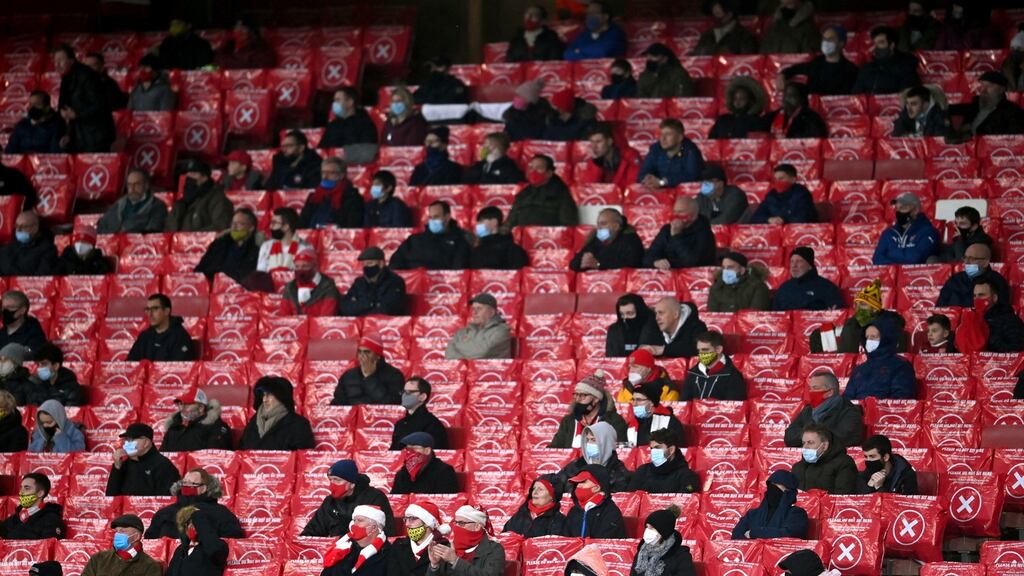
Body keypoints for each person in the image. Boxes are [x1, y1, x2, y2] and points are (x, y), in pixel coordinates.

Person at [301, 459, 395, 538]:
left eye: (337, 480)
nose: (332, 484)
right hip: (336, 552)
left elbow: (387, 531)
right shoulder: (330, 502)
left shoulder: (375, 497)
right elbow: (311, 532)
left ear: (352, 484)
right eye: (331, 480)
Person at [810, 279, 908, 353]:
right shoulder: (852, 324)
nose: (858, 308)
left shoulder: (891, 324)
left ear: (875, 309)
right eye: (856, 305)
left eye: (863, 305)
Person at [146, 468, 244, 539]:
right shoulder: (164, 513)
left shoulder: (221, 513)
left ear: (204, 488)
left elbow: (233, 540)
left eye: (191, 484)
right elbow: (151, 541)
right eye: (184, 483)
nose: (186, 486)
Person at [52, 44, 115, 153]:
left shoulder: (88, 76)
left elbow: (100, 106)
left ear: (72, 61)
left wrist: (76, 114)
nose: (57, 64)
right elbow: (67, 110)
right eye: (55, 61)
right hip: (78, 138)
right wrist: (68, 135)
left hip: (96, 138)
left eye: (60, 60)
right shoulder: (66, 78)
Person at [784, 372, 865, 449]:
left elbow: (841, 438)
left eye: (815, 388)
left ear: (829, 392)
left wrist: (807, 435)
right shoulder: (808, 410)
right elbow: (789, 436)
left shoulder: (850, 412)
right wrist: (816, 436)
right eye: (810, 388)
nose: (810, 392)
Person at [549, 372, 627, 448]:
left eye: (583, 395)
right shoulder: (568, 421)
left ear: (596, 399)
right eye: (576, 394)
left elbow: (621, 451)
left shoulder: (614, 421)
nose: (578, 399)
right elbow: (554, 449)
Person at [844, 320, 916, 400]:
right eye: (867, 337)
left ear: (885, 339)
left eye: (873, 337)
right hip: (856, 411)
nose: (869, 341)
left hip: (884, 411)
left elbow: (901, 398)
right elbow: (847, 397)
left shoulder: (900, 365)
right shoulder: (859, 369)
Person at [779, 25, 859, 95]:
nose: (825, 42)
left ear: (841, 43)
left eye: (830, 39)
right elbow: (795, 69)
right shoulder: (816, 63)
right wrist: (782, 75)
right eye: (824, 39)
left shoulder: (850, 70)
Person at [391, 201, 471, 269]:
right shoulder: (415, 240)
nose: (432, 221)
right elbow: (395, 262)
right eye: (431, 217)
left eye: (436, 217)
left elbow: (457, 272)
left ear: (447, 217)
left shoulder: (460, 241)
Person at [240, 377, 314, 451]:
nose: (264, 399)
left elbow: (303, 457)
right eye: (263, 395)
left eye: (269, 395)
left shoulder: (299, 425)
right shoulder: (252, 423)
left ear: (281, 397)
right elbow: (241, 452)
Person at [105, 423, 181, 496]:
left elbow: (165, 500)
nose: (127, 443)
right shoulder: (125, 464)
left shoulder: (163, 466)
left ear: (146, 442)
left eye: (131, 440)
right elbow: (111, 497)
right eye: (126, 440)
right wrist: (117, 468)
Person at [427, 506, 505, 576]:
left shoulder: (494, 550)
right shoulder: (449, 548)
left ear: (477, 526)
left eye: (461, 523)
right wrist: (434, 566)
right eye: (455, 523)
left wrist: (455, 561)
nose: (456, 527)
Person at [504, 155, 578, 228]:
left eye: (539, 168)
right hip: (522, 237)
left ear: (549, 173)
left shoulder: (561, 193)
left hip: (547, 238)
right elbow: (511, 221)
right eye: (531, 168)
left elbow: (568, 223)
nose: (533, 171)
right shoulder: (523, 194)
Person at [643, 196, 716, 270]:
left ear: (693, 215)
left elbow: (693, 263)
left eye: (680, 212)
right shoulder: (666, 230)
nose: (676, 215)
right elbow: (647, 258)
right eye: (674, 211)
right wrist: (655, 262)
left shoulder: (705, 234)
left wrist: (676, 236)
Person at [731, 470, 808, 540]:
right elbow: (736, 535)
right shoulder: (752, 514)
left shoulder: (797, 514)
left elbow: (790, 534)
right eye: (771, 485)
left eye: (777, 485)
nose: (773, 488)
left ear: (788, 491)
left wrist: (755, 533)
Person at [558, 422, 632, 492]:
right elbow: (557, 481)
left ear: (606, 443)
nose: (589, 444)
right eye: (587, 440)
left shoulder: (619, 473)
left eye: (593, 440)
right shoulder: (576, 465)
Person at [956, 278, 1024, 353]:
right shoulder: (971, 318)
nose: (977, 299)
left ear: (994, 298)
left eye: (981, 295)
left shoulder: (1010, 321)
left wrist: (988, 334)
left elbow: (1015, 352)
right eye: (975, 296)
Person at [193, 208, 261, 283]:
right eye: (233, 223)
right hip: (213, 287)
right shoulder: (219, 244)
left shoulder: (258, 250)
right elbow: (200, 270)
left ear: (251, 228)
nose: (234, 227)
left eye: (240, 224)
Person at [81, 514, 162, 576]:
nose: (117, 534)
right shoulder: (98, 558)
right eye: (116, 531)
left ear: (136, 536)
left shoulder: (150, 566)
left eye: (123, 531)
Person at [166, 159, 234, 233]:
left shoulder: (218, 199)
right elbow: (168, 229)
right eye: (187, 174)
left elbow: (220, 227)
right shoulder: (180, 203)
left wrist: (192, 237)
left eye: (193, 173)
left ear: (204, 177)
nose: (188, 177)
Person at [948, 71, 1024, 137]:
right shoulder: (973, 105)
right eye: (982, 86)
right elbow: (948, 109)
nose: (983, 90)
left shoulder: (1013, 112)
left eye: (989, 86)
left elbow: (1013, 139)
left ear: (1002, 89)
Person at [333, 336, 404, 406]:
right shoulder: (348, 376)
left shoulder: (394, 375)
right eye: (360, 352)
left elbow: (393, 405)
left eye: (367, 352)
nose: (362, 356)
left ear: (378, 356)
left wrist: (369, 377)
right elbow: (338, 403)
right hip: (353, 416)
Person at [872, 192, 939, 265]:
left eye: (903, 208)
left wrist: (890, 253)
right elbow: (877, 259)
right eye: (897, 208)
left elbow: (916, 258)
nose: (898, 212)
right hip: (890, 275)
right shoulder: (888, 233)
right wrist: (904, 257)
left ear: (915, 210)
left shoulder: (929, 232)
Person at [127, 293, 197, 362]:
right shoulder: (144, 336)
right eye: (148, 309)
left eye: (155, 309)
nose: (150, 314)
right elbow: (130, 365)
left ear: (166, 311)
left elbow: (177, 369)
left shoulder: (180, 337)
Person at [628, 427, 700, 494]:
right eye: (652, 449)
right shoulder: (642, 471)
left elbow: (684, 498)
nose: (653, 451)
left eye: (657, 448)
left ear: (671, 450)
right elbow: (631, 499)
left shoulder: (688, 477)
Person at [791, 423, 858, 494]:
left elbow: (842, 496)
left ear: (825, 445)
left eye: (810, 442)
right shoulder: (797, 467)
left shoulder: (844, 464)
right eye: (803, 443)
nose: (805, 447)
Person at [637, 119, 705, 189]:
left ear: (680, 137)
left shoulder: (690, 151)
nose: (663, 138)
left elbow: (691, 177)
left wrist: (662, 182)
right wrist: (647, 179)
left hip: (686, 193)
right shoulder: (655, 149)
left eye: (668, 134)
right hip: (659, 191)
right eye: (661, 134)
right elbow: (642, 173)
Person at [339, 246, 407, 316]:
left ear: (381, 264)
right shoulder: (359, 282)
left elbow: (387, 310)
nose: (367, 267)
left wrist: (359, 305)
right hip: (360, 324)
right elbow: (345, 308)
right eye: (364, 264)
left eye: (370, 263)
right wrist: (371, 304)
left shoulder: (395, 282)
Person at [852, 26, 921, 95]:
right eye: (874, 44)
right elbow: (856, 96)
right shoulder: (866, 69)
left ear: (892, 45)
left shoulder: (906, 67)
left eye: (880, 43)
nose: (876, 47)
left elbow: (907, 95)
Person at [570, 208, 644, 271]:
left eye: (603, 224)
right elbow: (573, 264)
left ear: (616, 226)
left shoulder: (631, 240)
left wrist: (599, 264)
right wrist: (583, 262)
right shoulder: (595, 239)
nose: (599, 228)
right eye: (598, 224)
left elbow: (633, 263)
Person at [96, 169, 168, 233]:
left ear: (146, 186)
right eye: (129, 185)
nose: (132, 189)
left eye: (136, 184)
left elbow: (153, 231)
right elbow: (101, 226)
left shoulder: (158, 206)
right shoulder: (118, 205)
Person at [938, 243, 1009, 308]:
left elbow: (1001, 311)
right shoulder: (954, 280)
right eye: (965, 258)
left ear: (985, 262)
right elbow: (940, 308)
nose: (967, 262)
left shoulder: (997, 281)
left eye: (972, 259)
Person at [681, 331, 747, 400]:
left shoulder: (733, 375)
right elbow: (683, 404)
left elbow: (733, 407)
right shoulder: (693, 374)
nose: (701, 354)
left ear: (719, 349)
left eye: (705, 350)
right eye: (699, 351)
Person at [299, 156, 363, 228]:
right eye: (323, 172)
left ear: (341, 175)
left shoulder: (352, 198)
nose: (325, 177)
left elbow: (352, 227)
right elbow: (302, 224)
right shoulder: (313, 197)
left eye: (330, 173)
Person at [773, 247, 844, 311]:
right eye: (792, 261)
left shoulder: (826, 287)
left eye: (799, 261)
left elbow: (837, 313)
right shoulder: (784, 288)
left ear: (810, 266)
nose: (794, 265)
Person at [631, 506, 697, 576]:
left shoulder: (681, 556)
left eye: (652, 528)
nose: (647, 531)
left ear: (664, 531)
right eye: (647, 527)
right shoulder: (642, 552)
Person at [564, 465, 626, 538]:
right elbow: (565, 541)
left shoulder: (610, 512)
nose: (578, 486)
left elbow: (606, 544)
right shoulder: (573, 511)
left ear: (597, 487)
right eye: (577, 483)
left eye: (583, 482)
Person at [161, 389, 232, 452]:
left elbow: (213, 459)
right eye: (180, 404)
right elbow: (163, 455)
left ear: (201, 408)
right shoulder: (174, 428)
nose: (181, 408)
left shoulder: (217, 428)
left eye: (186, 405)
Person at [164, 506, 229, 576]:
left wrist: (198, 516)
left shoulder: (218, 545)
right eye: (192, 524)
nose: (196, 527)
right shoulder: (180, 551)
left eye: (198, 523)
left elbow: (215, 550)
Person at [444, 294, 512, 360]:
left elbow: (481, 353)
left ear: (492, 312)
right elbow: (448, 354)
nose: (474, 312)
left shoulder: (501, 331)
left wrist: (457, 345)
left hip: (490, 371)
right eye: (473, 309)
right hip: (466, 371)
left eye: (479, 308)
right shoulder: (463, 332)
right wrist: (471, 352)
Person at [390, 377, 449, 450]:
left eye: (409, 392)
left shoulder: (432, 424)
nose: (404, 395)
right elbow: (393, 451)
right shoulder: (400, 424)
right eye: (403, 392)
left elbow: (434, 453)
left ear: (422, 397)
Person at [0, 472, 64, 539]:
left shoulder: (51, 519)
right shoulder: (18, 516)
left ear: (40, 493)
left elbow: (48, 546)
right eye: (21, 488)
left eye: (27, 488)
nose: (21, 492)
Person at [280, 247, 342, 316]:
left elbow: (326, 319)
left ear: (315, 267)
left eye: (305, 266)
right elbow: (284, 317)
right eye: (297, 267)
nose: (300, 270)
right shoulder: (290, 288)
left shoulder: (328, 288)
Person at [639, 297, 708, 359]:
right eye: (656, 313)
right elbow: (643, 348)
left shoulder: (697, 327)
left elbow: (699, 349)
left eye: (661, 313)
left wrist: (664, 350)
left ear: (675, 314)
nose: (657, 318)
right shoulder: (653, 326)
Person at [391, 432, 459, 494]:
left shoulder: (444, 471)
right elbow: (395, 500)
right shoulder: (402, 474)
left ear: (427, 451)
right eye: (407, 449)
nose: (409, 453)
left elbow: (446, 501)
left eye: (414, 448)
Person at [624, 379, 686, 447]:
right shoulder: (631, 423)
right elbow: (627, 449)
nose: (634, 404)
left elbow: (678, 449)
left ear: (652, 402)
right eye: (633, 399)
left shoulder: (670, 422)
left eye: (639, 400)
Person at [20, 342, 84, 406]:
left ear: (56, 366)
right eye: (38, 364)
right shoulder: (38, 386)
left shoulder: (71, 389)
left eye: (44, 364)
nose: (39, 368)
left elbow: (71, 412)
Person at [578, 123, 641, 188]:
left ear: (609, 141)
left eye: (598, 141)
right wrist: (597, 164)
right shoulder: (595, 161)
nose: (594, 147)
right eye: (592, 142)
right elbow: (589, 188)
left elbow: (633, 187)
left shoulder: (630, 156)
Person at [388, 501, 443, 575]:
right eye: (406, 519)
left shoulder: (442, 547)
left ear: (427, 522)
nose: (407, 524)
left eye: (412, 518)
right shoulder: (399, 545)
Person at [751, 164, 818, 224]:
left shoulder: (802, 194)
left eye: (781, 178)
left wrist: (783, 220)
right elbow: (756, 217)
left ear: (793, 179)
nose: (777, 182)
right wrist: (768, 219)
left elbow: (804, 218)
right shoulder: (771, 195)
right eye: (775, 179)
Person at [0, 211, 59, 277]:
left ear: (35, 228)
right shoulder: (5, 250)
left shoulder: (48, 250)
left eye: (23, 226)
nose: (18, 230)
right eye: (16, 226)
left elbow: (41, 278)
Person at [692, 0, 759, 55]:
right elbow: (695, 59)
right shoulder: (707, 35)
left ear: (730, 13)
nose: (715, 10)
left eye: (720, 9)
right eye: (713, 6)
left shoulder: (745, 37)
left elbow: (747, 62)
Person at [257, 208, 308, 273]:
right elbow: (261, 273)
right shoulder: (266, 246)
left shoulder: (303, 249)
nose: (270, 227)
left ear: (286, 227)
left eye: (274, 223)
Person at [934, 2, 1001, 51]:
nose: (955, 10)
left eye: (958, 7)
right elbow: (937, 54)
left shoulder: (984, 29)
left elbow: (989, 55)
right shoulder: (948, 27)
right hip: (950, 67)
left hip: (975, 68)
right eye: (954, 6)